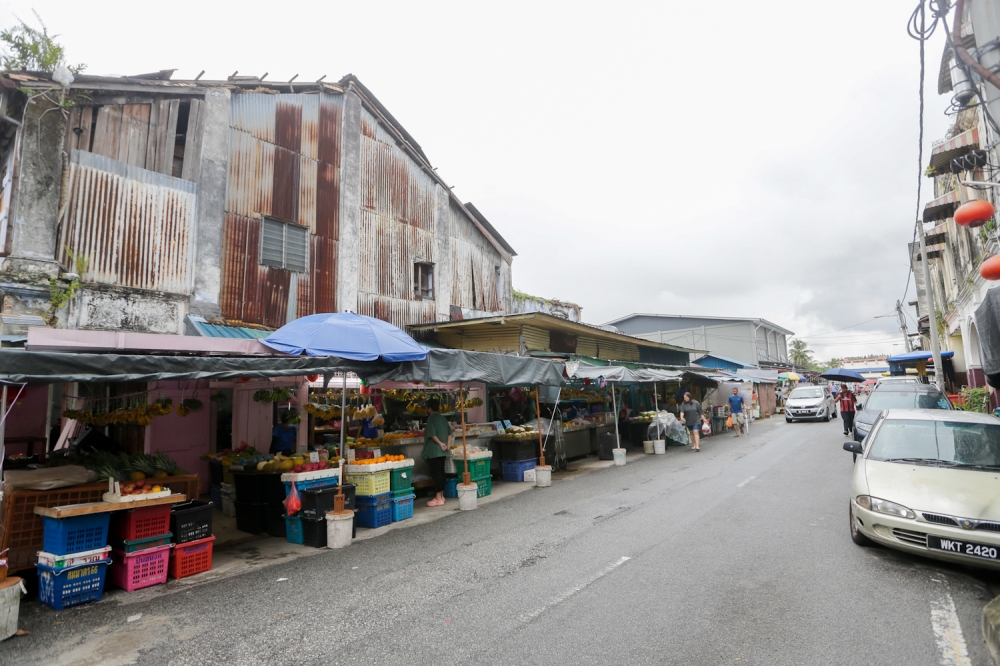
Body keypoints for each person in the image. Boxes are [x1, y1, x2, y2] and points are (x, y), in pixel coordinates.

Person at [421, 398, 453, 507]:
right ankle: (442, 496)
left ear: (429, 408)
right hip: (443, 451)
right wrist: (447, 444)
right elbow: (450, 433)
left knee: (436, 475)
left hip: (434, 451)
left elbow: (432, 434)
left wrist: (439, 444)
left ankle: (438, 498)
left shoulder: (431, 419)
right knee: (441, 473)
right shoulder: (442, 418)